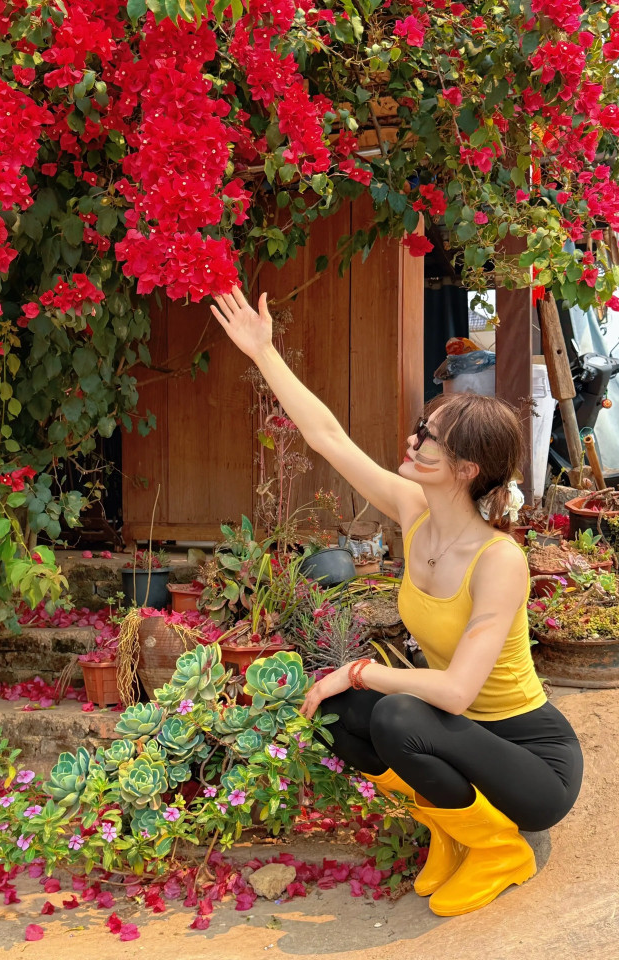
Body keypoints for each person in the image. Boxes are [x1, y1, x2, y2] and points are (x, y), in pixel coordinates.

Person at [211, 286, 583, 917]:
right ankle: (450, 829)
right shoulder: (414, 511)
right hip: (460, 735)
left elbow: (458, 693)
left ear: (466, 469)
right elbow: (328, 437)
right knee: (341, 714)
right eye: (420, 429)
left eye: (429, 439)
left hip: (531, 761)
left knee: (393, 715)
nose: (413, 442)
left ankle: (499, 848)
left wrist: (357, 670)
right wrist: (263, 352)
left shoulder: (499, 560)